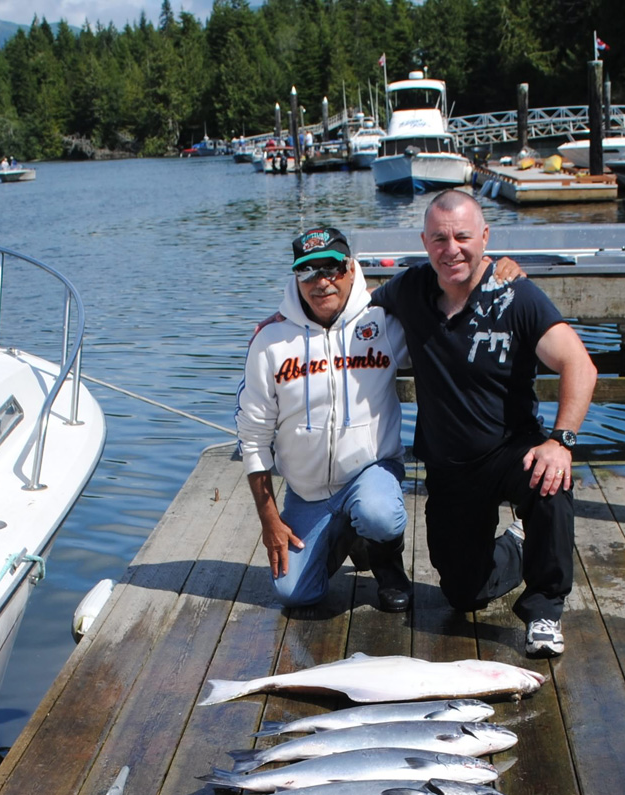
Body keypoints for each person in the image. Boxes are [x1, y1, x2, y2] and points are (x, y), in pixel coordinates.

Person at [368, 190, 597, 657]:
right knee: (463, 595)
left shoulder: (516, 295)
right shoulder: (409, 289)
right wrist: (285, 320)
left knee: (551, 480)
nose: (451, 249)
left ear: (485, 237)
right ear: (424, 242)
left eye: (463, 237)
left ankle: (545, 610)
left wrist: (561, 442)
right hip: (451, 467)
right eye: (439, 238)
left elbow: (579, 363)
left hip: (512, 448)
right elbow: (344, 305)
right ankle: (516, 545)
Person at [235, 226, 414, 613]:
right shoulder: (269, 340)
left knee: (380, 515)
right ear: (296, 277)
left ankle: (386, 561)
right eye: (308, 271)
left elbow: (444, 313)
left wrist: (495, 273)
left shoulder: (385, 321)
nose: (321, 281)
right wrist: (269, 521)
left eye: (331, 268)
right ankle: (347, 537)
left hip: (371, 470)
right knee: (294, 594)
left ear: (350, 268)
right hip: (307, 492)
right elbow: (252, 437)